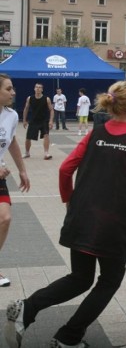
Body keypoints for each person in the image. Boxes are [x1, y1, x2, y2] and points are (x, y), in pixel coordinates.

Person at [4, 80, 126, 348]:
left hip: (81, 216)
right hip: (113, 223)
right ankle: (68, 337)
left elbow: (65, 170)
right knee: (109, 280)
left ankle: (28, 309)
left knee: (80, 278)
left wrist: (68, 201)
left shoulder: (95, 132)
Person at [0, 74, 30, 288]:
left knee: (5, 218)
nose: (13, 92)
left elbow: (12, 142)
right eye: (9, 89)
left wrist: (22, 170)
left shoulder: (11, 116)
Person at [22, 83, 54, 160]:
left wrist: (51, 121)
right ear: (34, 88)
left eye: (40, 87)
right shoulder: (30, 98)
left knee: (46, 135)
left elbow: (51, 110)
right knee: (28, 138)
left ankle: (46, 153)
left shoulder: (47, 99)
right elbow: (26, 109)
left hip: (44, 121)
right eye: (37, 87)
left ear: (42, 89)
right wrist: (24, 120)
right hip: (33, 121)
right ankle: (27, 152)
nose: (38, 89)